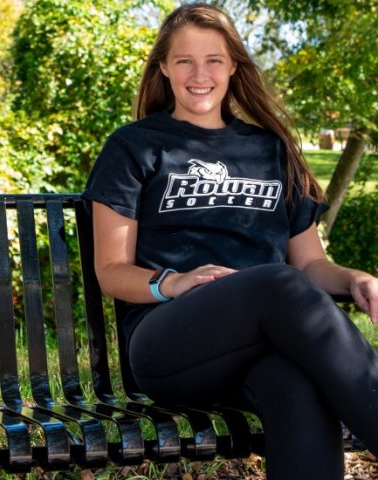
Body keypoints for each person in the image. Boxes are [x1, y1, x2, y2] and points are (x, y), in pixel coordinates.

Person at [82, 3, 378, 479]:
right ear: (163, 67)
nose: (200, 74)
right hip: (169, 343)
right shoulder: (135, 147)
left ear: (234, 66)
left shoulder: (271, 149)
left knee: (297, 385)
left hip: (261, 347)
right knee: (276, 285)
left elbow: (310, 266)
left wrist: (353, 278)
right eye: (184, 61)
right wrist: (173, 283)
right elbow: (111, 272)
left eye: (214, 60)